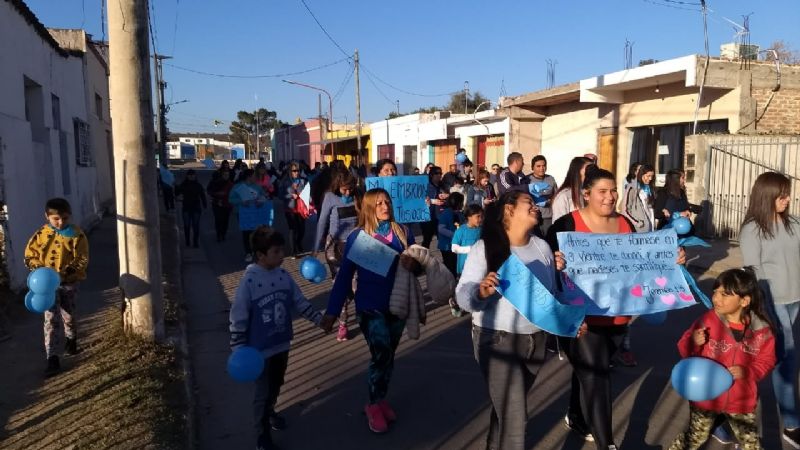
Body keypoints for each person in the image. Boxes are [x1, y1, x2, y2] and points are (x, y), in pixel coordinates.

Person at [546, 166, 685, 448]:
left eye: (613, 191)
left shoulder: (624, 223)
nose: (610, 197)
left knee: (587, 372)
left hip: (618, 318)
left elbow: (640, 264)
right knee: (598, 376)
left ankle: (576, 415)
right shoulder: (565, 226)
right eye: (602, 192)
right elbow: (543, 270)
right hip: (581, 320)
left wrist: (671, 259)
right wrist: (553, 263)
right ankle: (606, 442)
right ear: (586, 194)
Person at [455, 190, 566, 450]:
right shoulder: (486, 248)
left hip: (535, 341)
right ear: (508, 209)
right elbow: (462, 295)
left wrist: (568, 321)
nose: (536, 207)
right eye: (529, 202)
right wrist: (480, 292)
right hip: (496, 340)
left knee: (504, 408)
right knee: (515, 417)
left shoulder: (543, 247)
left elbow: (552, 296)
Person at [321, 188, 420, 434]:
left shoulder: (403, 232)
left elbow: (419, 266)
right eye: (378, 204)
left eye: (387, 202)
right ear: (368, 208)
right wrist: (332, 312)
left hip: (397, 305)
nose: (385, 206)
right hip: (369, 307)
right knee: (381, 352)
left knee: (387, 356)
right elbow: (344, 277)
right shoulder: (357, 237)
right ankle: (373, 404)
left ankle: (380, 397)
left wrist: (414, 264)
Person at [229, 226, 324, 450]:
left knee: (277, 383)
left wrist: (320, 321)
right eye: (276, 252)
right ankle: (262, 436)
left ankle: (271, 412)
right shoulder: (249, 282)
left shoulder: (284, 276)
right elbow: (238, 315)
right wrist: (238, 347)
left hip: (281, 344)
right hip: (258, 351)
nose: (282, 256)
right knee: (262, 392)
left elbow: (300, 302)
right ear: (261, 255)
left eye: (282, 251)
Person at [668, 267, 776, 450]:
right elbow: (683, 348)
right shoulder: (708, 320)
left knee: (752, 444)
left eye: (725, 294)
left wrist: (748, 371)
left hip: (741, 399)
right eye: (715, 292)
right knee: (695, 437)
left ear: (744, 301)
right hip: (705, 397)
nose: (716, 298)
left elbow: (767, 360)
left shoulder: (762, 331)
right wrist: (693, 341)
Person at [740, 171, 800, 447]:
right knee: (786, 359)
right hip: (772, 302)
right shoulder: (753, 229)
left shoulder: (793, 224)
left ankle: (727, 423)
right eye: (782, 194)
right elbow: (754, 271)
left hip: (796, 299)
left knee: (776, 359)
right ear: (767, 196)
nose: (787, 199)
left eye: (788, 194)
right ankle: (791, 423)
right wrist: (762, 308)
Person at [24, 198, 89, 376]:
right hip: (46, 287)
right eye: (56, 219)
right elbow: (30, 255)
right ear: (47, 217)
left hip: (68, 283)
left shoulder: (77, 235)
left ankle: (71, 339)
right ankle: (52, 358)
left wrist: (69, 271)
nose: (61, 223)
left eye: (65, 218)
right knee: (51, 320)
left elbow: (82, 257)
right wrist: (39, 269)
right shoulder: (40, 235)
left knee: (69, 315)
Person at [313, 171, 358, 342]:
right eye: (345, 189)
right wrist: (315, 248)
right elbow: (322, 222)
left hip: (354, 244)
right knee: (341, 285)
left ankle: (362, 313)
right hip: (334, 248)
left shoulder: (357, 196)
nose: (348, 193)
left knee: (356, 285)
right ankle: (343, 323)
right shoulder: (330, 198)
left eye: (351, 190)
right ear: (338, 186)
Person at [229, 169, 270, 262]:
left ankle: (256, 251)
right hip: (243, 214)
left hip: (256, 213)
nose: (256, 177)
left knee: (257, 233)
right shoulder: (238, 186)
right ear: (249, 177)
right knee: (246, 233)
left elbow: (264, 197)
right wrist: (241, 202)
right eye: (254, 175)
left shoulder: (257, 187)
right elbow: (231, 199)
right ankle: (248, 252)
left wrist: (261, 202)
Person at [551, 156, 593, 222]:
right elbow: (558, 225)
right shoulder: (564, 196)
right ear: (577, 172)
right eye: (588, 169)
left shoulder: (589, 193)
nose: (591, 173)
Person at [281, 163, 308, 258]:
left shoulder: (303, 181)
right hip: (290, 209)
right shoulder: (285, 182)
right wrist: (291, 196)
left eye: (298, 171)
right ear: (290, 171)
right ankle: (293, 251)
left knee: (302, 230)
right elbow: (280, 195)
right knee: (293, 229)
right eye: (294, 171)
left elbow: (308, 193)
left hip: (301, 209)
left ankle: (298, 242)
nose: (297, 173)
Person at [175, 169, 207, 248]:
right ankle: (187, 241)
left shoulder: (198, 185)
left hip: (196, 207)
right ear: (187, 176)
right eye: (190, 175)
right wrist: (176, 187)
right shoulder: (183, 184)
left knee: (195, 225)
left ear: (195, 176)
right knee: (187, 225)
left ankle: (195, 242)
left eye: (193, 175)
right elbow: (177, 193)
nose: (192, 176)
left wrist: (204, 204)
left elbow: (202, 195)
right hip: (186, 207)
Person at [528, 155, 558, 236]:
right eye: (538, 166)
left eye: (544, 165)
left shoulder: (551, 179)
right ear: (532, 167)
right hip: (532, 217)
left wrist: (549, 201)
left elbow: (556, 197)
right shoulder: (527, 180)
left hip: (548, 218)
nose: (542, 168)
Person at [620, 163, 655, 233]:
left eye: (652, 176)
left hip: (650, 228)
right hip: (638, 229)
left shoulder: (650, 189)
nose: (650, 179)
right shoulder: (632, 189)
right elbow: (625, 210)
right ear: (641, 174)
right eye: (648, 176)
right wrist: (637, 223)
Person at [437, 192, 465, 276]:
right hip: (447, 246)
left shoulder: (460, 214)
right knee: (449, 268)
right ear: (457, 202)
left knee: (456, 266)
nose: (463, 204)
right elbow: (441, 229)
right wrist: (455, 235)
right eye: (461, 202)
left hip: (456, 246)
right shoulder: (446, 213)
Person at [422, 166, 447, 249]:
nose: (439, 175)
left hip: (441, 217)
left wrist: (446, 196)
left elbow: (449, 198)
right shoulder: (426, 185)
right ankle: (423, 260)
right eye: (437, 173)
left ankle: (447, 260)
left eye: (440, 173)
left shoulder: (443, 185)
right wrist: (432, 201)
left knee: (442, 239)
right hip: (428, 217)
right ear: (432, 175)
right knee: (427, 240)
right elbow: (420, 199)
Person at [207, 169, 234, 242]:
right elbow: (210, 191)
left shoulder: (230, 184)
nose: (226, 176)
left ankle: (223, 233)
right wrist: (218, 194)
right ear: (221, 175)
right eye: (225, 175)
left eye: (227, 175)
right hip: (217, 203)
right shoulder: (215, 183)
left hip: (227, 205)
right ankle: (218, 234)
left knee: (225, 220)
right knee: (218, 219)